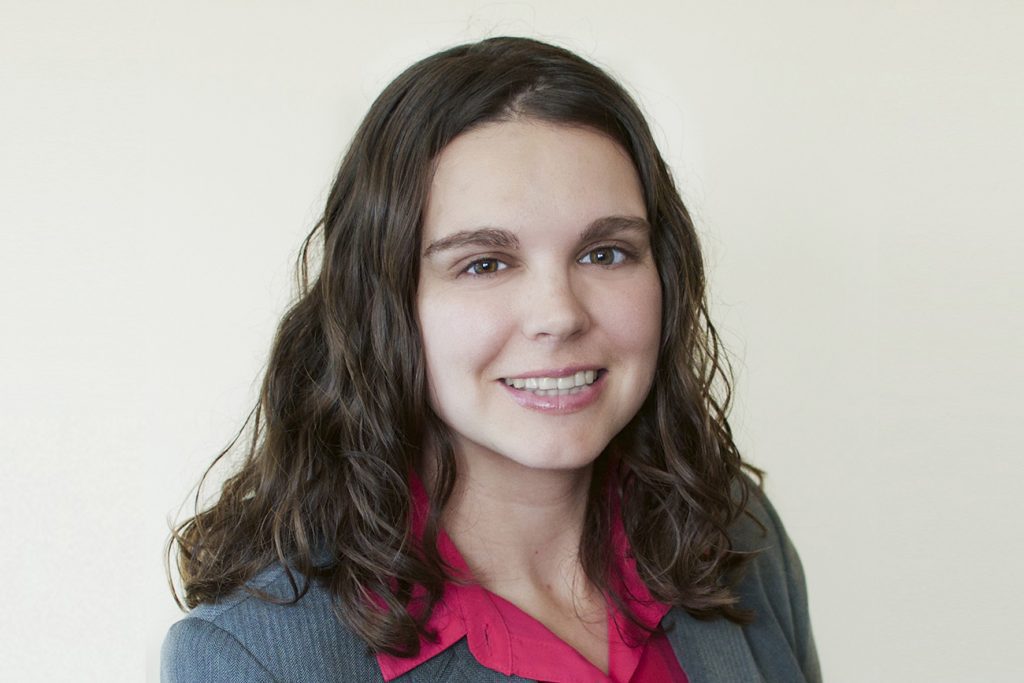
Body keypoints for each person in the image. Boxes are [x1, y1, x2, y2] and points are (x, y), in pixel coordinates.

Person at [162, 36, 821, 682]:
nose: (559, 313)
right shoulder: (254, 658)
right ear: (384, 302)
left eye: (606, 252)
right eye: (485, 263)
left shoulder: (736, 530)